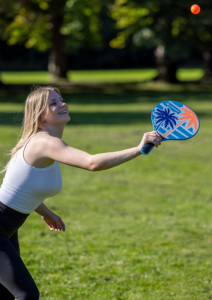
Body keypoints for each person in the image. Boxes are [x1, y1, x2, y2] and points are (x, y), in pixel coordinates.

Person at [0, 86, 162, 299]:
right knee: (25, 294)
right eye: (53, 103)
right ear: (39, 115)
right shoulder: (44, 142)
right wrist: (138, 149)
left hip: (8, 227)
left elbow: (20, 188)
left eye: (61, 99)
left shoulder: (42, 142)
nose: (62, 104)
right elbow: (92, 162)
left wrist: (46, 212)